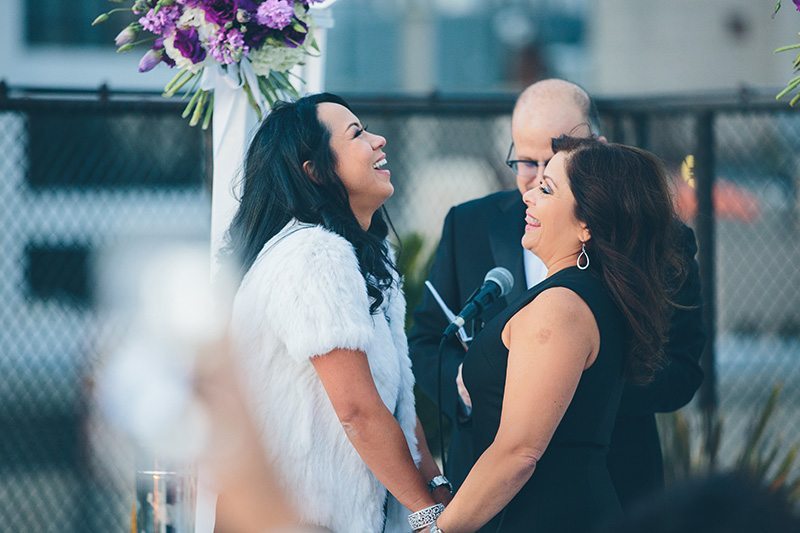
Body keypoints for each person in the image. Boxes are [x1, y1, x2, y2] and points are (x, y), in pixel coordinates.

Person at [408, 79, 705, 508]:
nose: (534, 184)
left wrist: (569, 385)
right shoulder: (469, 223)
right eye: (525, 163)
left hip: (610, 482)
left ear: (597, 150)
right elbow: (425, 339)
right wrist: (465, 385)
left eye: (553, 165)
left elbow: (681, 369)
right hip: (483, 482)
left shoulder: (662, 238)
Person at [223, 93, 450, 532]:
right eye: (358, 134)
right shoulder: (312, 254)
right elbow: (358, 410)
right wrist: (429, 519)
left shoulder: (360, 258)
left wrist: (438, 491)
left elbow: (395, 402)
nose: (379, 140)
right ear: (315, 171)